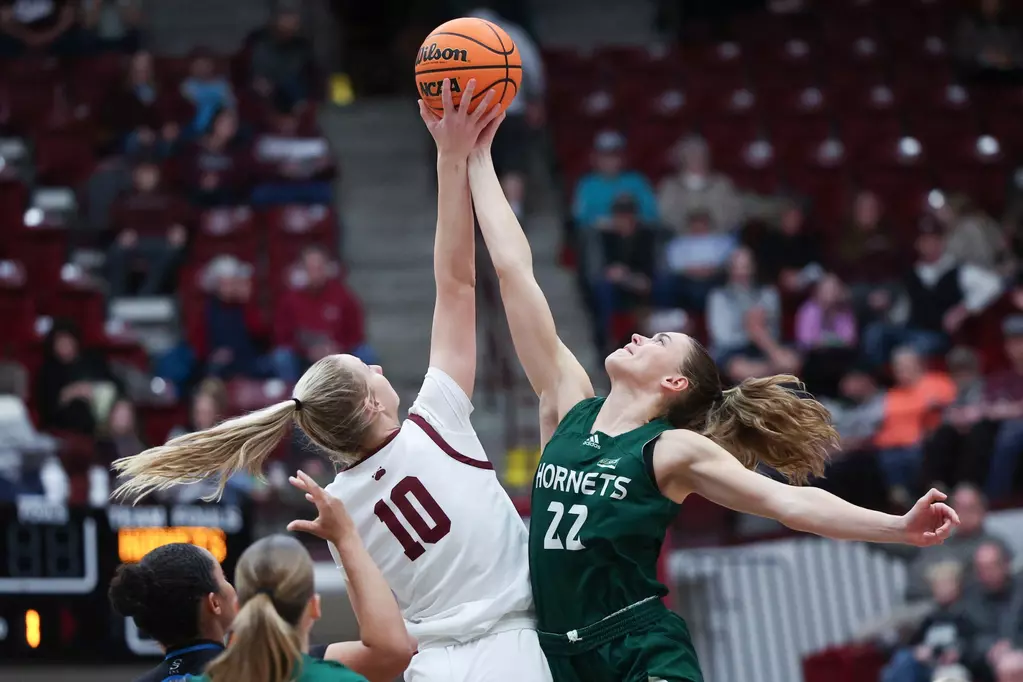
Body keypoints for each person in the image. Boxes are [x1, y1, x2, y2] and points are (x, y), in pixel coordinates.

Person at [464, 113, 960, 682]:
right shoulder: (567, 401)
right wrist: (478, 159)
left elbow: (790, 504)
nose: (637, 336)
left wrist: (897, 527)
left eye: (658, 341)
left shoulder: (671, 450)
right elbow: (514, 272)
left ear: (674, 384)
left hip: (636, 647)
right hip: (552, 652)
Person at [111, 80, 553, 682]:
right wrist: (453, 159)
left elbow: (381, 635)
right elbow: (457, 285)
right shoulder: (437, 421)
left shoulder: (338, 507)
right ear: (372, 401)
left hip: (436, 667)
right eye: (365, 368)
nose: (377, 366)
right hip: (517, 647)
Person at [108, 472, 413, 682]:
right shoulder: (273, 668)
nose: (233, 589)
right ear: (215, 603)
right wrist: (345, 538)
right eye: (224, 578)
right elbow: (390, 650)